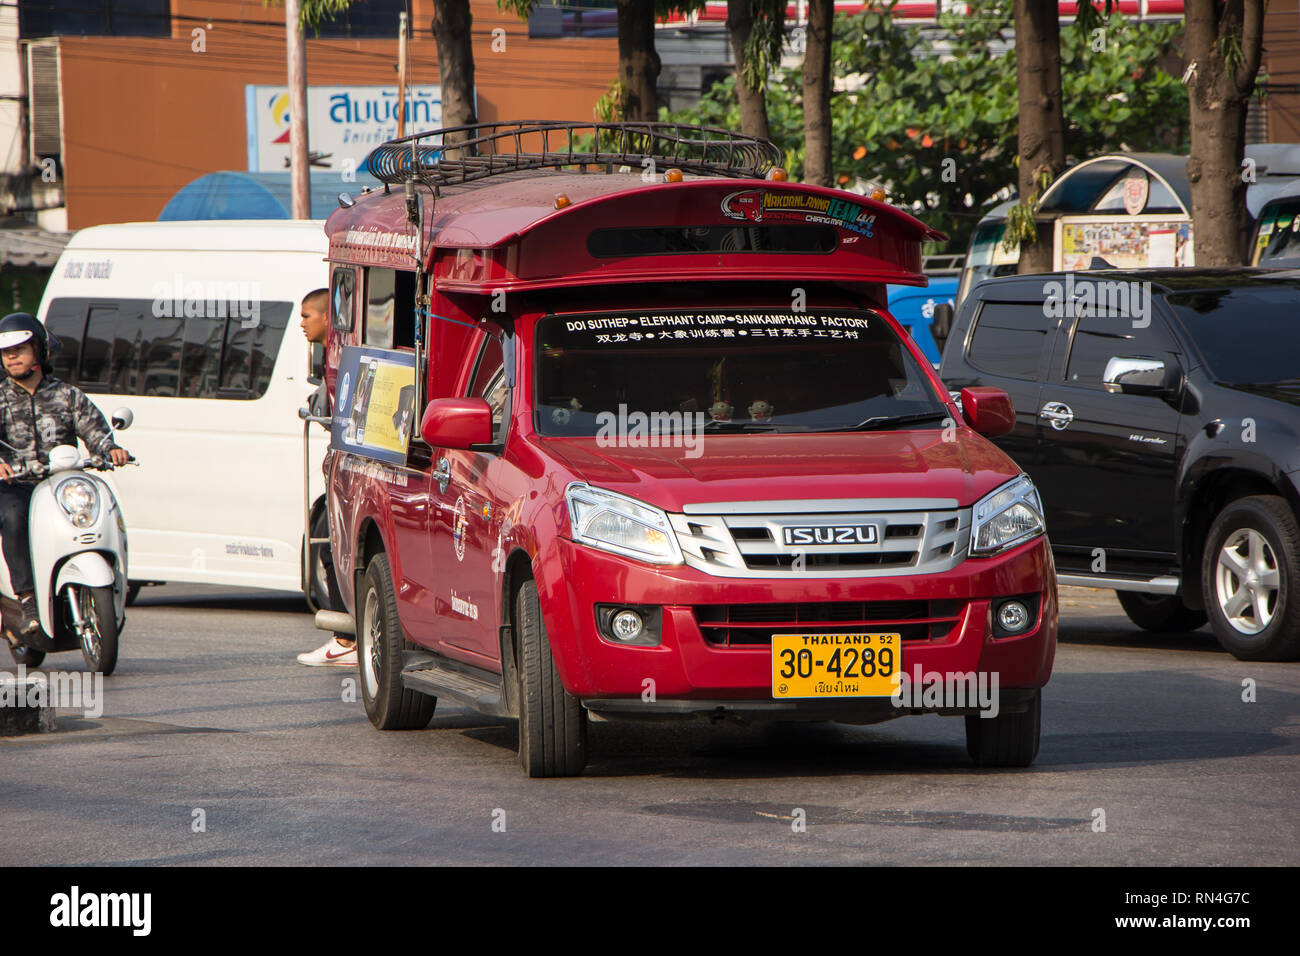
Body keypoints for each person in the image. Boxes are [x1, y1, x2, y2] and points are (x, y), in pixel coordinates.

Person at [0, 313, 130, 642]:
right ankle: (28, 600)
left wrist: (110, 449)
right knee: (14, 517)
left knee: (100, 508)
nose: (12, 357)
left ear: (40, 351)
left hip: (60, 485)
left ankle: (109, 588)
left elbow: (96, 431)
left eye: (20, 349)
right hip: (15, 485)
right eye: (6, 352)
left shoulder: (67, 396)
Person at [294, 289, 356, 667]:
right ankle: (345, 635)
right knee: (333, 548)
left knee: (336, 548)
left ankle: (345, 639)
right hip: (340, 465)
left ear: (325, 318)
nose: (301, 323)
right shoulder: (329, 355)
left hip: (348, 469)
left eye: (306, 316)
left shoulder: (338, 355)